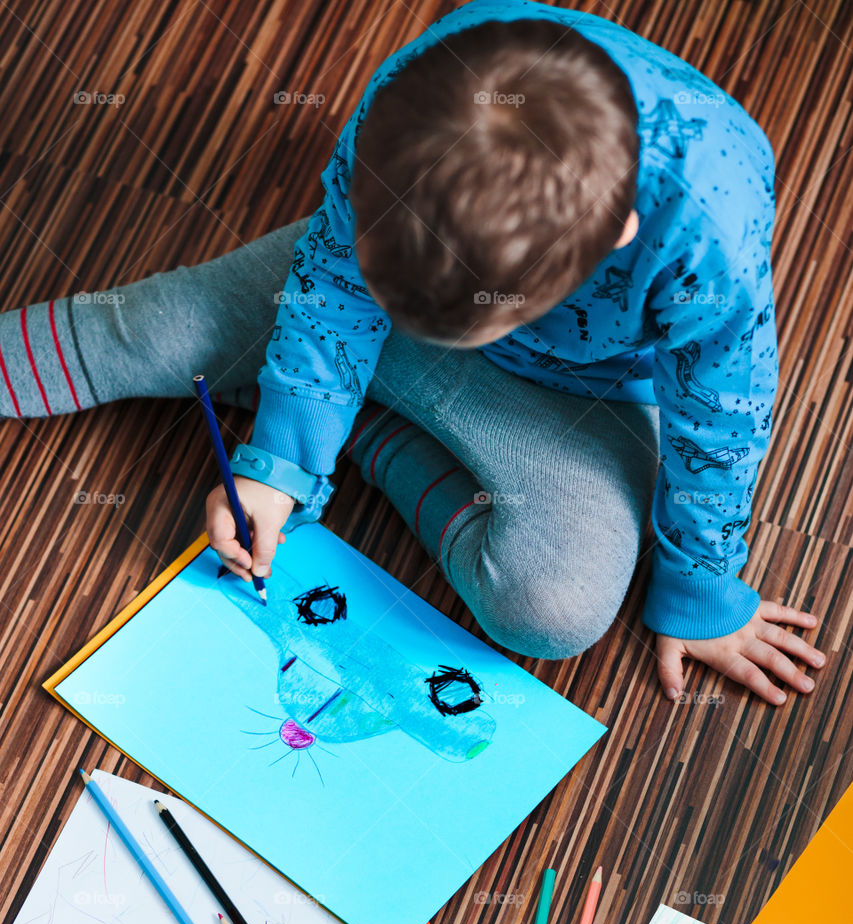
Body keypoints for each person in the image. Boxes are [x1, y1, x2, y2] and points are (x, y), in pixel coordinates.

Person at [0, 1, 825, 703]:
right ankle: (331, 408)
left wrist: (700, 586)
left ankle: (355, 424)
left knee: (553, 607)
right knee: (145, 328)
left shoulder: (709, 227)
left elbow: (721, 418)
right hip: (350, 307)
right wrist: (277, 465)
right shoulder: (416, 94)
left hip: (579, 389)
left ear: (612, 237)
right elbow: (330, 281)